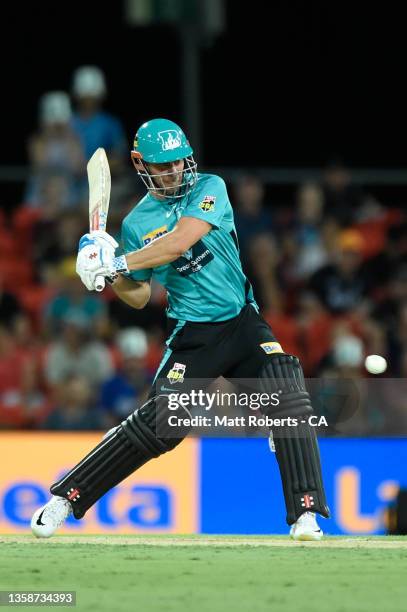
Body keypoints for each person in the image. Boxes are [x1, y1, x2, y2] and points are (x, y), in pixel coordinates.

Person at [31, 118, 329, 540]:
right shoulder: (135, 224)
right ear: (142, 165)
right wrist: (105, 274)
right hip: (193, 336)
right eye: (162, 165)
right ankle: (66, 498)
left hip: (242, 322)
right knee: (160, 426)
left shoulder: (211, 187)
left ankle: (306, 516)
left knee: (290, 396)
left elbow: (178, 243)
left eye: (178, 162)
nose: (174, 172)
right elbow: (137, 296)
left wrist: (115, 262)